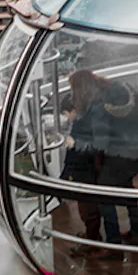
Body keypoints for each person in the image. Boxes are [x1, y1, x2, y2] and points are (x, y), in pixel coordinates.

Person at [68, 70, 138, 258]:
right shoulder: (113, 91)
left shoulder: (97, 107)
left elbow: (100, 143)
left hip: (121, 154)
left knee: (105, 196)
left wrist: (75, 144)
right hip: (137, 149)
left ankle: (113, 246)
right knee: (127, 190)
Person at [59, 93, 103, 250]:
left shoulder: (83, 125)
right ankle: (92, 236)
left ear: (73, 111)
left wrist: (74, 144)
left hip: (85, 174)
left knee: (88, 209)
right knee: (87, 208)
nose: (67, 117)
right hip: (86, 172)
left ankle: (93, 243)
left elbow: (92, 148)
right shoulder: (87, 121)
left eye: (66, 114)